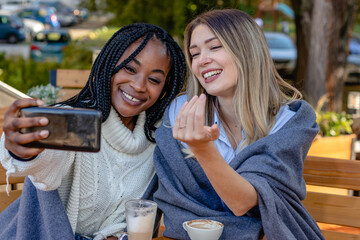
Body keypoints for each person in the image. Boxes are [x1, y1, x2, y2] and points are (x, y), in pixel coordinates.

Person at [0, 23, 186, 240]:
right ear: (109, 63)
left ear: (164, 89)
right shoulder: (76, 122)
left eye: (154, 79)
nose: (138, 85)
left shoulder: (158, 142)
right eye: (130, 68)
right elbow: (46, 164)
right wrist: (24, 149)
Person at [153, 9, 324, 240]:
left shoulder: (290, 120)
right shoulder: (180, 111)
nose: (202, 61)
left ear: (247, 50)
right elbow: (177, 203)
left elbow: (243, 202)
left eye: (215, 47)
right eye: (194, 54)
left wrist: (202, 150)